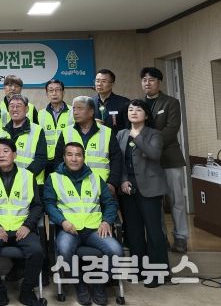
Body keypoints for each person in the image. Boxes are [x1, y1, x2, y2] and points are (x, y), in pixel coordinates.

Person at [44, 142, 123, 306]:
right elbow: (49, 205)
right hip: (69, 229)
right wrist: (62, 221)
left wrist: (107, 221)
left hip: (95, 229)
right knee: (64, 250)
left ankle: (99, 284)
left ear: (83, 158)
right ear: (64, 157)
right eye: (70, 155)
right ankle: (79, 283)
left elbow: (110, 203)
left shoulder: (95, 178)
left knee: (116, 251)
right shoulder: (54, 178)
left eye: (78, 155)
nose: (74, 159)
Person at [0, 139, 44, 306]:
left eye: (6, 151)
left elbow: (37, 206)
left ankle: (27, 292)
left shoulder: (28, 176)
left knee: (37, 251)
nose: (1, 155)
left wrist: (27, 226)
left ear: (14, 155)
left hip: (22, 228)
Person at [116, 100, 169, 287]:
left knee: (154, 232)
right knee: (134, 232)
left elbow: (154, 154)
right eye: (130, 109)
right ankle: (138, 270)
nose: (133, 112)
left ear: (146, 115)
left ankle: (158, 274)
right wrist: (122, 180)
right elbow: (118, 160)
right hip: (128, 188)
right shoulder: (121, 134)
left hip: (150, 188)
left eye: (138, 110)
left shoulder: (155, 134)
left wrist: (137, 137)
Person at [140, 66, 188, 253]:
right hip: (148, 161)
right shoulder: (139, 104)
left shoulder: (171, 102)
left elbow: (171, 129)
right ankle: (160, 238)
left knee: (176, 200)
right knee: (154, 202)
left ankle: (181, 237)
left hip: (169, 158)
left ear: (159, 82)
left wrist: (152, 146)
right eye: (144, 80)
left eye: (151, 80)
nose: (147, 83)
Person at [53, 96, 123, 194]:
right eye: (74, 109)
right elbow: (58, 159)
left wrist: (112, 183)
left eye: (80, 108)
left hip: (101, 186)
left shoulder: (106, 132)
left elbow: (116, 159)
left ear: (91, 112)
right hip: (72, 186)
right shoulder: (66, 132)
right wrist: (61, 180)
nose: (75, 112)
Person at [0, 94, 48, 184]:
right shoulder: (3, 130)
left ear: (27, 109)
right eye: (11, 106)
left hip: (31, 183)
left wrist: (23, 177)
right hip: (5, 182)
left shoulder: (37, 130)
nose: (14, 109)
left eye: (18, 106)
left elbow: (41, 159)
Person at [37, 79, 73, 178]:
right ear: (47, 94)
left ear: (63, 92)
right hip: (47, 160)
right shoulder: (41, 114)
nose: (54, 93)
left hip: (67, 158)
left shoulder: (72, 112)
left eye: (57, 90)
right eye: (51, 90)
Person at [91, 69, 129, 138]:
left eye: (104, 81)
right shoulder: (90, 101)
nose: (99, 84)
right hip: (95, 140)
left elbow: (128, 127)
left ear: (112, 84)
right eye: (97, 81)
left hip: (116, 140)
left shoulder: (124, 102)